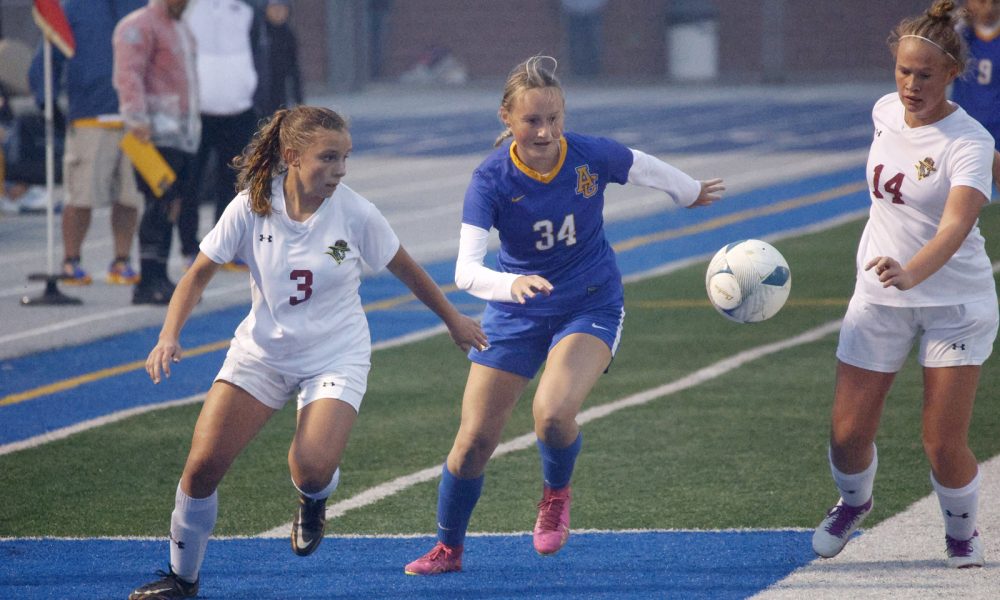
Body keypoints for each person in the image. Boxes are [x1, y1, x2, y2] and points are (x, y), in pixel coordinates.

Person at [127, 105, 488, 599]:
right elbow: (195, 276)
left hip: (335, 353)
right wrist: (169, 334)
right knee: (203, 465)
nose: (340, 170)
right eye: (329, 158)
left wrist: (453, 319)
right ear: (292, 157)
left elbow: (407, 269)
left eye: (345, 158)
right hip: (262, 353)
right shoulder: (250, 207)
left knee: (312, 468)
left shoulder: (356, 213)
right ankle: (182, 578)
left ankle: (313, 500)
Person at [404, 55, 724, 576]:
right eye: (532, 120)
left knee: (552, 415)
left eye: (554, 118)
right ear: (507, 118)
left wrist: (687, 191)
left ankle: (555, 495)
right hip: (516, 309)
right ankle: (448, 549)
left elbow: (640, 164)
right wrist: (512, 283)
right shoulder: (489, 179)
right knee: (472, 445)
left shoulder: (588, 155)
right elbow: (465, 271)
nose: (546, 131)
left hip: (589, 301)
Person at [811, 0, 997, 569]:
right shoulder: (884, 112)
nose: (911, 85)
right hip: (880, 298)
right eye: (903, 71)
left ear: (951, 76)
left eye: (925, 75)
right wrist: (895, 277)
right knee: (846, 436)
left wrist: (913, 270)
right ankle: (853, 502)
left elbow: (955, 225)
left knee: (942, 444)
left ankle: (961, 532)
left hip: (955, 303)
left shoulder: (969, 142)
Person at [27, 0, 146, 285]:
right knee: (81, 196)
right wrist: (47, 101)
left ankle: (121, 260)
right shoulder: (74, 6)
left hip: (137, 119)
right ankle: (71, 260)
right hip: (91, 116)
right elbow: (48, 55)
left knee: (131, 197)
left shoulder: (143, 5)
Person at [113, 0, 201, 304]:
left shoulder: (180, 27)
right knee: (157, 204)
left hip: (182, 134)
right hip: (154, 134)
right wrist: (136, 119)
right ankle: (147, 281)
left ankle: (161, 274)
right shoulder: (138, 26)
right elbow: (129, 74)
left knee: (173, 204)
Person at [180, 0, 260, 271]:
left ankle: (226, 246)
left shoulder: (247, 9)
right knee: (190, 182)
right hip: (197, 111)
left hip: (238, 111)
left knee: (234, 183)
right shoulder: (187, 7)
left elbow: (259, 53)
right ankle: (189, 248)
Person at [951, 0, 1000, 189]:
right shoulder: (959, 36)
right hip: (964, 130)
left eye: (995, 2)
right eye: (981, 1)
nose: (988, 8)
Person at [253, 0, 303, 119]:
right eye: (274, 8)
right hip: (258, 96)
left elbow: (294, 69)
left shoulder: (288, 35)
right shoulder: (258, 33)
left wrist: (299, 100)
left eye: (282, 8)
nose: (278, 12)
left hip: (279, 94)